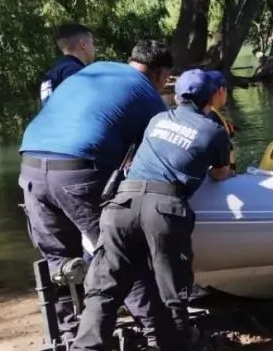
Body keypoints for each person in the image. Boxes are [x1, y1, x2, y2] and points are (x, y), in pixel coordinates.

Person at [18, 40, 173, 341]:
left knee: (61, 262)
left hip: (31, 165)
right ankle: (163, 338)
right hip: (77, 169)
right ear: (161, 74)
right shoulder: (148, 95)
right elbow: (157, 157)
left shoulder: (96, 70)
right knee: (120, 254)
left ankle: (67, 335)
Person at [72, 69, 234, 350]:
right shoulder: (214, 131)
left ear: (178, 96)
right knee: (174, 291)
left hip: (121, 205)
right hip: (164, 210)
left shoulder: (157, 120)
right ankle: (181, 345)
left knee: (104, 288)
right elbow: (220, 173)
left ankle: (85, 347)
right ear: (211, 96)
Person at [40, 23, 96, 105]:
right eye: (92, 43)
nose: (94, 48)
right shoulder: (72, 70)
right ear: (83, 44)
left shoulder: (51, 74)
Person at [204, 70, 237, 170]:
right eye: (227, 90)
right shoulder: (213, 119)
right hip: (219, 175)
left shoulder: (202, 111)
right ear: (221, 90)